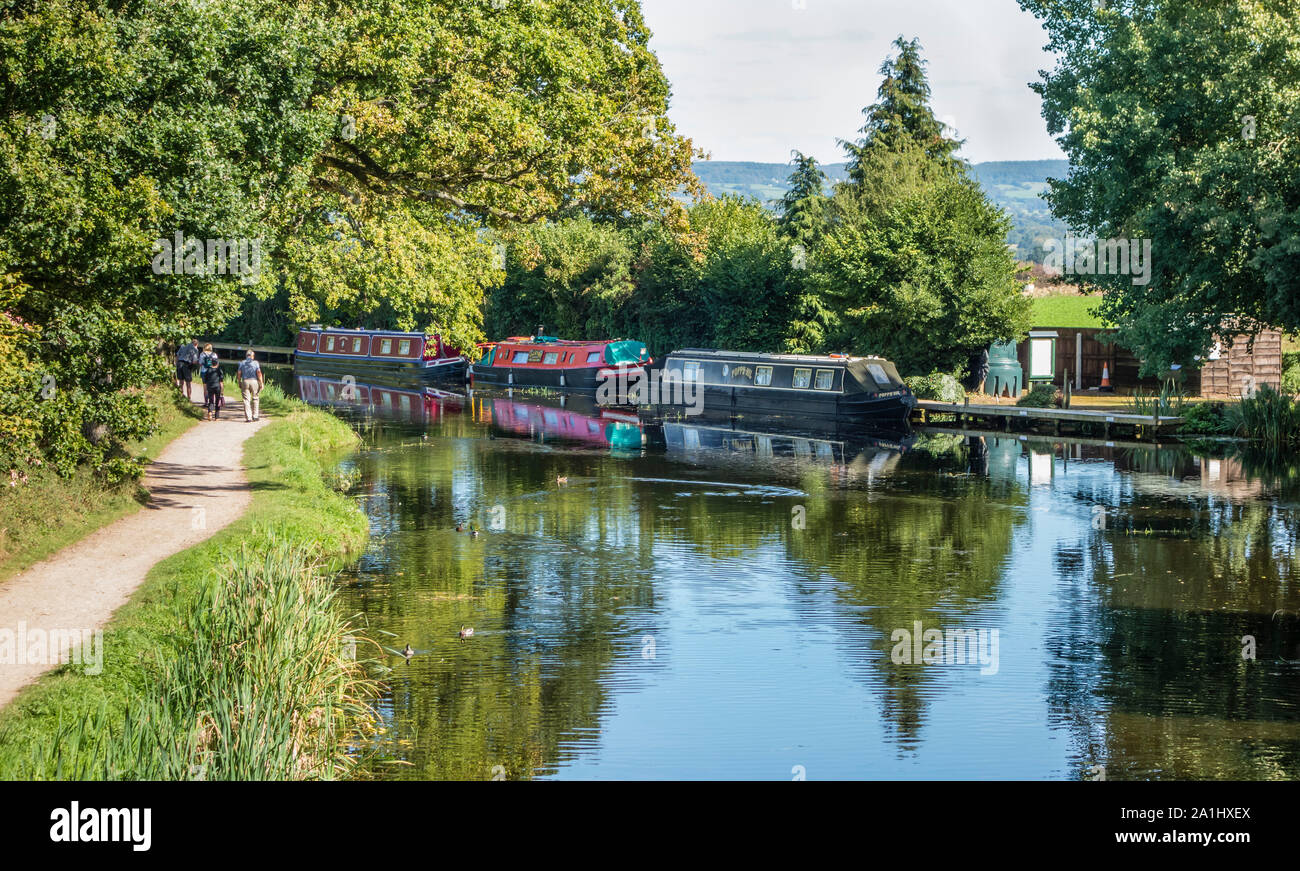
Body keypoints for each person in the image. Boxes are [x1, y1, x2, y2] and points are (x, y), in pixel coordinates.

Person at [238, 349, 265, 422]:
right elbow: (259, 373)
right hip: (254, 381)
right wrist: (261, 383)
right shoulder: (256, 363)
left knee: (246, 400)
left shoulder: (242, 363)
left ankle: (249, 417)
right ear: (252, 356)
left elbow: (239, 373)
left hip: (245, 381)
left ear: (246, 356)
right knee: (255, 398)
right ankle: (255, 416)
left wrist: (239, 382)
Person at [197, 343, 220, 408]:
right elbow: (217, 364)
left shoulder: (202, 354)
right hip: (213, 372)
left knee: (205, 388)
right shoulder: (214, 355)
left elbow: (200, 363)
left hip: (204, 372)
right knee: (212, 387)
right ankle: (212, 402)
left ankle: (206, 402)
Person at [201, 355, 224, 420]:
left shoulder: (208, 370)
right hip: (217, 387)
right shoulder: (219, 371)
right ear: (217, 363)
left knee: (211, 400)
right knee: (217, 401)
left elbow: (205, 381)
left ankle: (210, 413)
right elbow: (221, 382)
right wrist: (222, 391)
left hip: (210, 387)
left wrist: (205, 389)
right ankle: (217, 417)